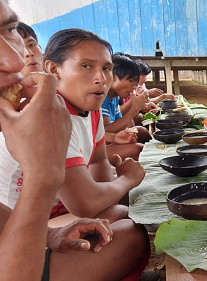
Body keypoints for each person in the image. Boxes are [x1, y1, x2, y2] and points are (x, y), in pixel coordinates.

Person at [0, 3, 149, 280]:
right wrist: (127, 179)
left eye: (106, 69)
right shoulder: (50, 114)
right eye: (85, 66)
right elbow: (86, 203)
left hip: (44, 219)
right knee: (132, 234)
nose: (16, 60)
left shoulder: (90, 112)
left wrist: (50, 235)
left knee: (117, 214)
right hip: (35, 221)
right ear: (53, 71)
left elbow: (100, 163)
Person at [101, 53, 152, 144]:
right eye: (131, 81)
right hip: (102, 144)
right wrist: (135, 109)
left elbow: (127, 125)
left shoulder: (115, 97)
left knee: (141, 131)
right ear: (114, 78)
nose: (133, 87)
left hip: (112, 138)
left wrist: (131, 133)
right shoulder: (102, 97)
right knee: (137, 149)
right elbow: (107, 129)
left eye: (135, 83)